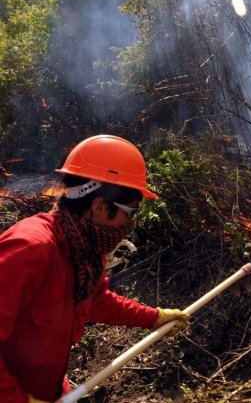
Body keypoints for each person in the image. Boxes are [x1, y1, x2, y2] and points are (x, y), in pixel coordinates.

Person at [0, 135, 191, 403]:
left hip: (49, 390)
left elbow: (95, 300)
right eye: (131, 212)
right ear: (100, 207)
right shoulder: (32, 248)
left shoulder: (85, 248)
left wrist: (153, 317)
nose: (131, 222)